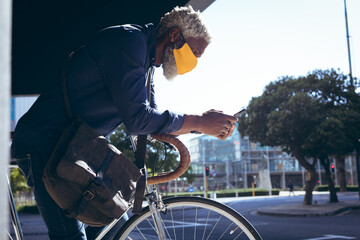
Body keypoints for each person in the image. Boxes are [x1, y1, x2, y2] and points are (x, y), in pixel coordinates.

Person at [11, 6, 237, 240]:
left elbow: (151, 119)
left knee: (117, 228)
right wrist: (199, 122)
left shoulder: (147, 62)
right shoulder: (129, 43)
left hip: (77, 149)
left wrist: (202, 124)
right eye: (195, 53)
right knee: (71, 236)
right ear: (175, 36)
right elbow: (139, 119)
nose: (194, 63)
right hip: (44, 144)